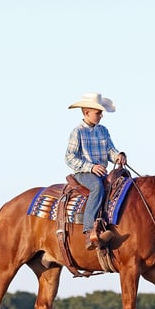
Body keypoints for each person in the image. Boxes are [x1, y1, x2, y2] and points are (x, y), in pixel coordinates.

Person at [65, 92, 127, 249]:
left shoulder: (103, 131)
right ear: (87, 113)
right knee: (97, 187)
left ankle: (110, 224)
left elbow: (110, 151)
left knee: (122, 186)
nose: (101, 116)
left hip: (102, 171)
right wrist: (90, 167)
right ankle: (88, 230)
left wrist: (118, 156)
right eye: (98, 113)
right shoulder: (77, 132)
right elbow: (69, 157)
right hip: (84, 173)